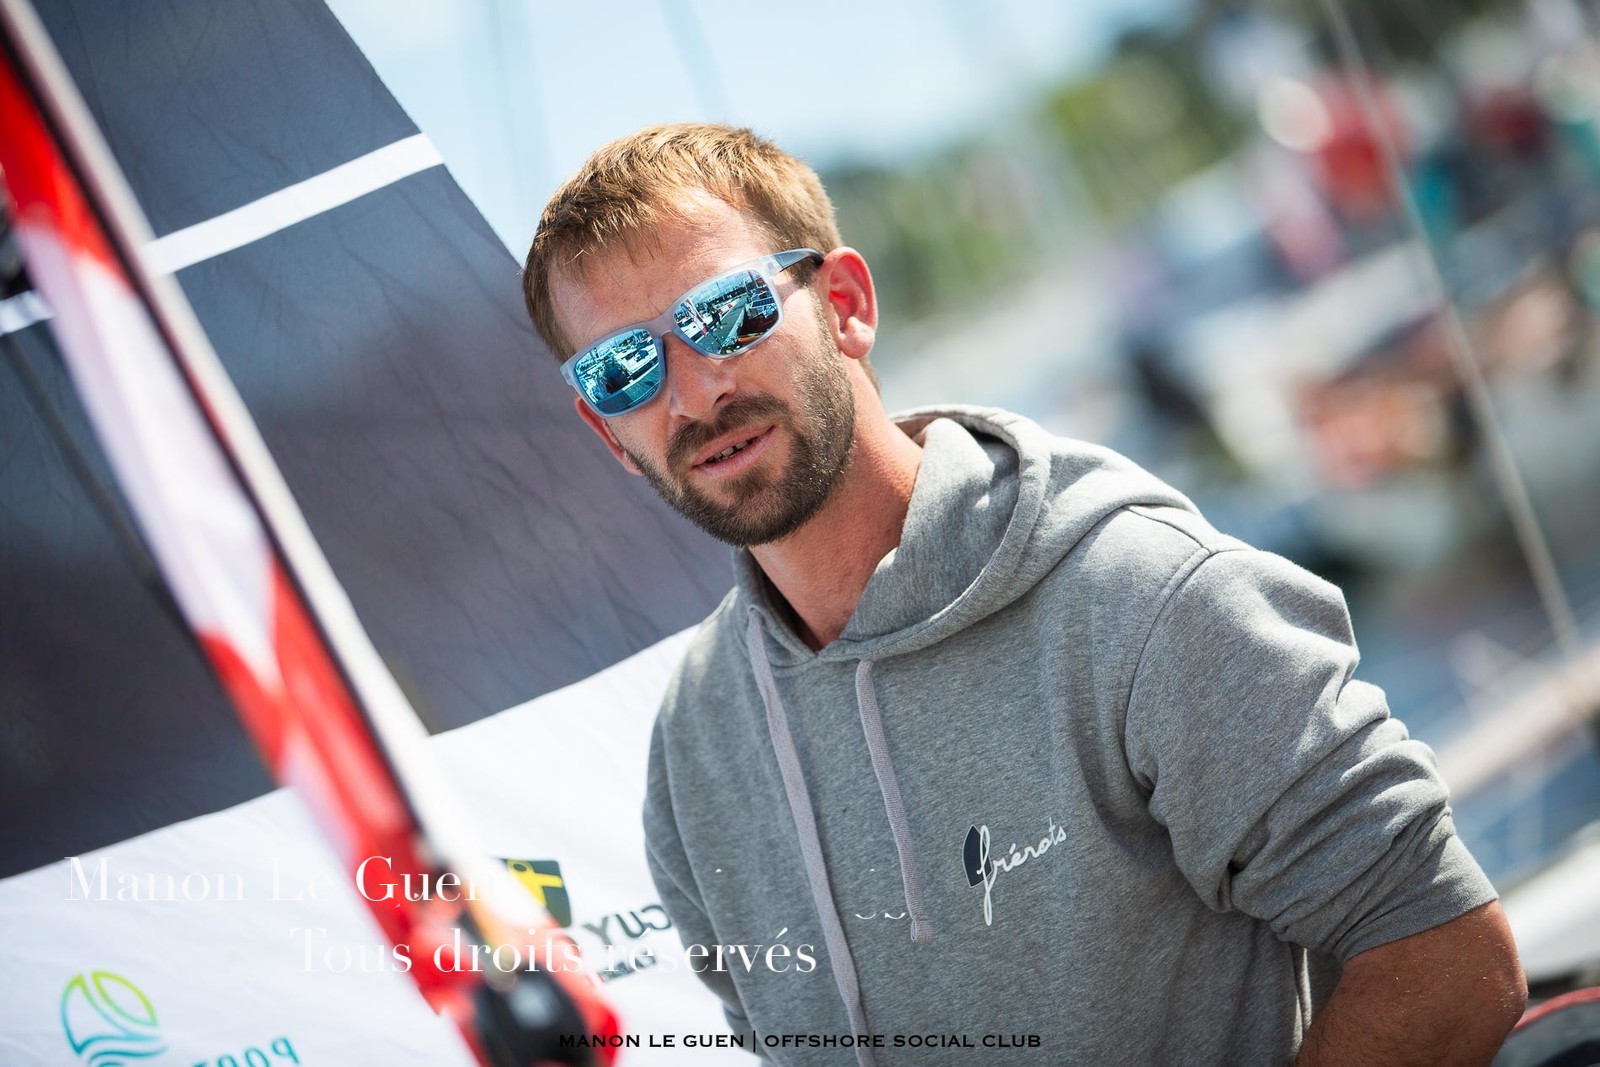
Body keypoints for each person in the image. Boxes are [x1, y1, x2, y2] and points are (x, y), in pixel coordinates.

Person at [522, 123, 1526, 1065]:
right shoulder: (691, 758)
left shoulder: (1137, 596)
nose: (693, 392)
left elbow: (1447, 957)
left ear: (845, 306)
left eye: (724, 315)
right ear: (607, 432)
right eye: (624, 369)